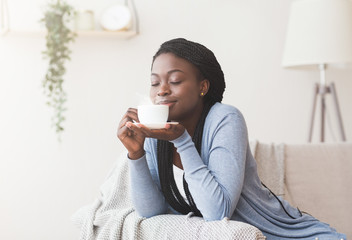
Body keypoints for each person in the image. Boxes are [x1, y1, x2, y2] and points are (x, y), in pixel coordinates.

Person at [117, 38, 346, 240]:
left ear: (203, 87)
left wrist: (183, 142)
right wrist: (136, 155)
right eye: (155, 83)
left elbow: (218, 212)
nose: (161, 91)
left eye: (175, 80)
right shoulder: (156, 132)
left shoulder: (225, 118)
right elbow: (150, 212)